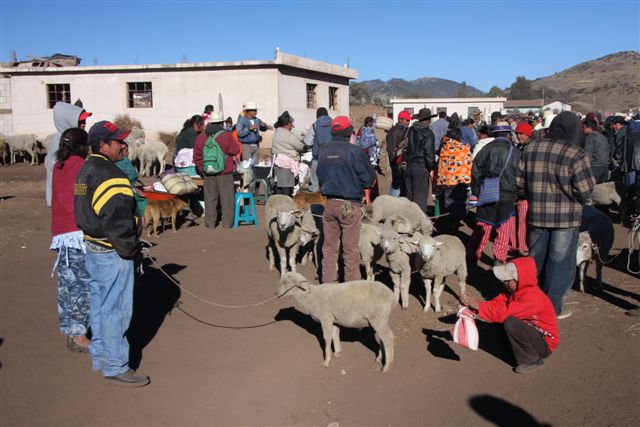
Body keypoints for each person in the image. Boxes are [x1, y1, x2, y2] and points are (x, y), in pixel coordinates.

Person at [74, 120, 149, 387]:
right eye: (118, 142)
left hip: (93, 248)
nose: (123, 146)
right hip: (112, 252)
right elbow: (118, 220)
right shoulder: (111, 174)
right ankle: (116, 364)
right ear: (103, 145)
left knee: (101, 306)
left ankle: (102, 357)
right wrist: (130, 250)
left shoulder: (86, 170)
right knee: (116, 309)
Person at [519, 111, 595, 318]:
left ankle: (530, 302)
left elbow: (520, 183)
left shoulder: (530, 149)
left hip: (537, 215)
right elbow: (586, 190)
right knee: (560, 264)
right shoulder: (576, 153)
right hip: (566, 218)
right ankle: (551, 309)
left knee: (535, 261)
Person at [460, 257, 559, 374]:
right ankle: (515, 351)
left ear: (520, 280)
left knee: (510, 322)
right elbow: (497, 304)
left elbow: (504, 313)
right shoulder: (515, 292)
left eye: (508, 280)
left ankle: (532, 360)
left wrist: (479, 307)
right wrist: (476, 305)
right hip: (534, 335)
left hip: (544, 343)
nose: (504, 283)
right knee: (502, 318)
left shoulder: (532, 298)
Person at [318, 116, 376, 283]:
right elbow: (368, 179)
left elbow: (320, 177)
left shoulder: (323, 150)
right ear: (349, 133)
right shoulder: (354, 152)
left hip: (329, 204)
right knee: (350, 250)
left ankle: (328, 284)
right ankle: (351, 287)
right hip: (349, 205)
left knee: (329, 248)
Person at [50, 127, 91, 353]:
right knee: (81, 285)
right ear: (84, 147)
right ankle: (78, 335)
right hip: (77, 232)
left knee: (68, 285)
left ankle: (73, 329)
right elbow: (79, 199)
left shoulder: (59, 166)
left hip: (63, 234)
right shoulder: (80, 167)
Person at [470, 122, 520, 265]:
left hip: (488, 193)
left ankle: (473, 257)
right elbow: (520, 175)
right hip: (508, 196)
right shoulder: (515, 152)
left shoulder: (485, 149)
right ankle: (498, 261)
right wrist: (519, 193)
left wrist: (477, 191)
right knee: (504, 231)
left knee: (482, 228)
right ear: (509, 134)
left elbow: (475, 171)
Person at [193, 112, 241, 229]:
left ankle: (210, 224)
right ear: (221, 123)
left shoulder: (201, 137)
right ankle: (227, 224)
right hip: (224, 173)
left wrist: (203, 169)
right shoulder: (225, 136)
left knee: (210, 198)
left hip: (208, 173)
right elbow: (235, 150)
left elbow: (196, 156)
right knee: (227, 199)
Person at [45, 102, 92, 206]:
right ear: (68, 121)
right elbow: (63, 171)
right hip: (64, 198)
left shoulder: (69, 139)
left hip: (67, 197)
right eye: (80, 121)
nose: (84, 123)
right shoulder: (61, 142)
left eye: (84, 120)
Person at [435, 122, 472, 233]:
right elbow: (468, 162)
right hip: (460, 181)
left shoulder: (444, 147)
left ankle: (448, 225)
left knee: (447, 205)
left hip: (446, 180)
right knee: (458, 203)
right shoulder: (463, 148)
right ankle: (455, 226)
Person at [403, 108, 436, 214]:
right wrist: (430, 166)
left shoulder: (410, 130)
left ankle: (408, 223)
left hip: (408, 167)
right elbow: (429, 152)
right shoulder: (428, 133)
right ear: (428, 120)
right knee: (420, 198)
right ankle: (418, 225)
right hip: (421, 167)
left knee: (410, 197)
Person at [271, 111, 306, 196]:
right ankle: (286, 206)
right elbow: (299, 146)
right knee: (286, 188)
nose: (292, 126)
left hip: (277, 162)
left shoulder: (278, 132)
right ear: (287, 124)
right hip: (286, 164)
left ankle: (279, 205)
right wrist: (305, 146)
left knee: (279, 187)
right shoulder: (287, 135)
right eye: (291, 123)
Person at [513, 122, 534, 255]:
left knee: (525, 220)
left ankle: (524, 245)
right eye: (517, 133)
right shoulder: (519, 148)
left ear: (528, 134)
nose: (519, 136)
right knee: (521, 220)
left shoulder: (530, 149)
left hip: (527, 190)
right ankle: (522, 245)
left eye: (521, 134)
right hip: (522, 191)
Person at [304, 107, 333, 192]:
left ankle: (315, 203)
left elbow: (307, 142)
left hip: (318, 158)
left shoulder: (314, 125)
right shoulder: (333, 124)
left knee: (315, 185)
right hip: (332, 157)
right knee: (329, 183)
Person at [386, 110, 411, 196]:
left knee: (401, 183)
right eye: (406, 120)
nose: (409, 122)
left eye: (409, 120)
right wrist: (395, 164)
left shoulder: (407, 130)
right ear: (400, 120)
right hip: (396, 162)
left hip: (403, 161)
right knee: (396, 183)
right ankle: (392, 204)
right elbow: (391, 150)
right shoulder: (394, 131)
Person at [582, 118, 610, 184]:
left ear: (589, 128)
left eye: (583, 127)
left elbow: (587, 154)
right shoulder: (603, 137)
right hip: (605, 167)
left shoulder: (590, 137)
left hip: (595, 167)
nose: (582, 129)